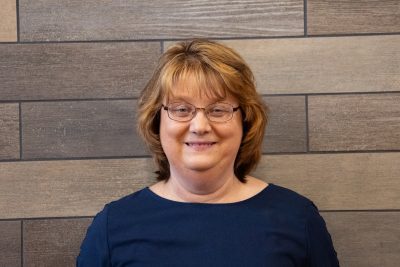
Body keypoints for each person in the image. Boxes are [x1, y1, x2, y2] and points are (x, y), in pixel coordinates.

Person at [77, 39, 339, 266]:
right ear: (157, 121)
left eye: (218, 110)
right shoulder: (113, 227)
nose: (200, 126)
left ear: (245, 121)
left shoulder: (296, 218)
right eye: (181, 109)